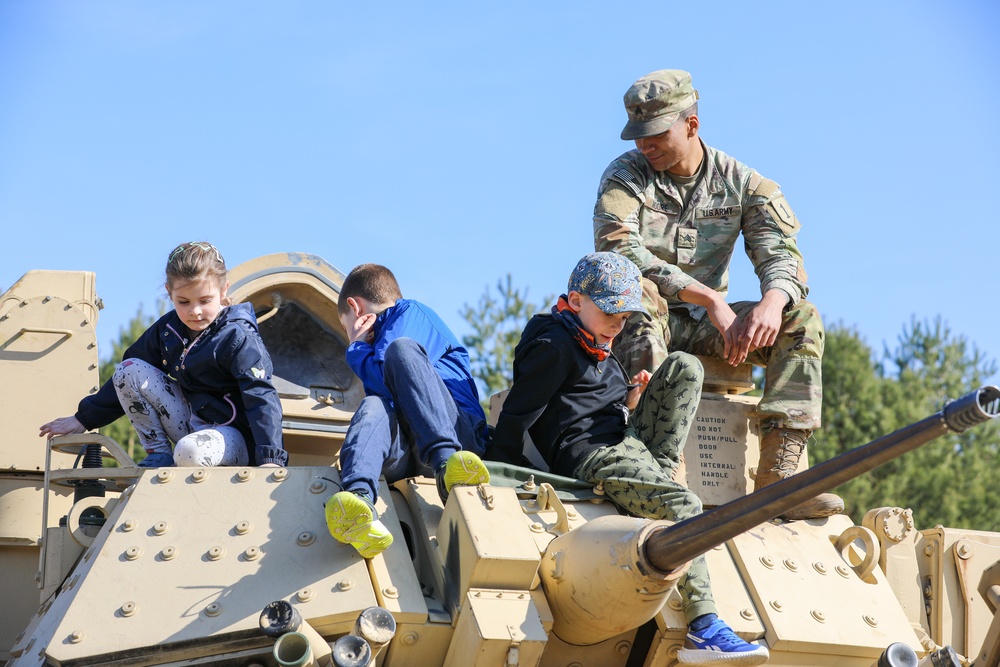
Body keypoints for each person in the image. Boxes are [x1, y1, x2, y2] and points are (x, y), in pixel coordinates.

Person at [489, 252, 769, 667]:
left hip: (626, 438)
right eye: (610, 314)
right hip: (591, 455)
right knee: (685, 505)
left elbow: (594, 401)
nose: (618, 326)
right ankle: (704, 629)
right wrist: (499, 474)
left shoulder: (595, 339)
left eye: (625, 317)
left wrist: (634, 397)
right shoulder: (553, 345)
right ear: (576, 300)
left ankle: (653, 479)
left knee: (684, 367)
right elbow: (518, 414)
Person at [592, 69, 841, 521]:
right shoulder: (626, 177)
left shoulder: (744, 184)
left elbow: (782, 254)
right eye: (638, 136)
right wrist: (710, 298)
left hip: (710, 330)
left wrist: (773, 301)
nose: (644, 146)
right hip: (646, 321)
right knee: (641, 295)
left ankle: (778, 479)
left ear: (692, 125)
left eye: (656, 135)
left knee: (801, 317)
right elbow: (617, 250)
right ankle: (654, 465)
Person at [39, 241, 287, 468]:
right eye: (183, 302)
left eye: (205, 300)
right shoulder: (169, 331)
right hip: (189, 425)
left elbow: (260, 396)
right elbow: (129, 376)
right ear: (169, 292)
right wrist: (83, 418)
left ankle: (185, 457)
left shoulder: (237, 337)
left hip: (232, 438)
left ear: (224, 290)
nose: (195, 312)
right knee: (128, 369)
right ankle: (158, 454)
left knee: (189, 452)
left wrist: (271, 459)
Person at [325, 263, 490, 559]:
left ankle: (447, 465)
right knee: (373, 406)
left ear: (355, 306)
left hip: (457, 438)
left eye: (345, 324)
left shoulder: (410, 314)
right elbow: (387, 405)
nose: (350, 334)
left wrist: (355, 346)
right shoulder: (374, 347)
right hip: (410, 452)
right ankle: (359, 500)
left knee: (400, 350)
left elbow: (391, 374)